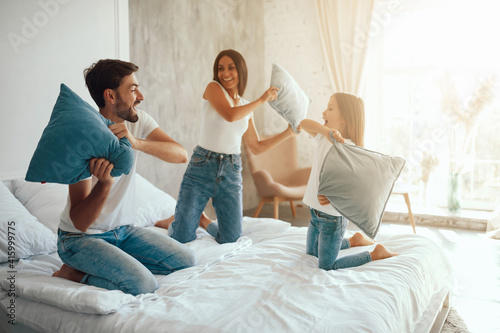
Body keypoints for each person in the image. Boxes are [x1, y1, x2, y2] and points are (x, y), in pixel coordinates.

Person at [52, 59, 196, 295]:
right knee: (143, 284)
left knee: (187, 260)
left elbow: (181, 155)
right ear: (110, 95)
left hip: (124, 231)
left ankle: (117, 262)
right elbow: (79, 221)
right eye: (132, 89)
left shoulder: (137, 121)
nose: (140, 96)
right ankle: (75, 273)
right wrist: (104, 185)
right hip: (80, 240)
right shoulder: (82, 138)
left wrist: (136, 142)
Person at [161, 49, 297, 244]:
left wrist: (288, 133)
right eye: (221, 68)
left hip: (231, 171)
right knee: (182, 237)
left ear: (240, 71)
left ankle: (204, 221)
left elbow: (256, 146)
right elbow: (230, 115)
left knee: (231, 239)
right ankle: (173, 223)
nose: (225, 73)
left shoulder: (246, 106)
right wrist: (262, 99)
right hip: (202, 167)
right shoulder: (213, 88)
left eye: (231, 68)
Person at [299, 92, 398, 270]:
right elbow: (303, 123)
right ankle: (355, 240)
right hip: (314, 214)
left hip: (332, 220)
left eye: (330, 109)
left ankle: (374, 253)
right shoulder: (324, 136)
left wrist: (334, 197)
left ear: (345, 118)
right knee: (311, 252)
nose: (323, 113)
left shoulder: (350, 150)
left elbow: (355, 189)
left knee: (327, 266)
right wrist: (325, 130)